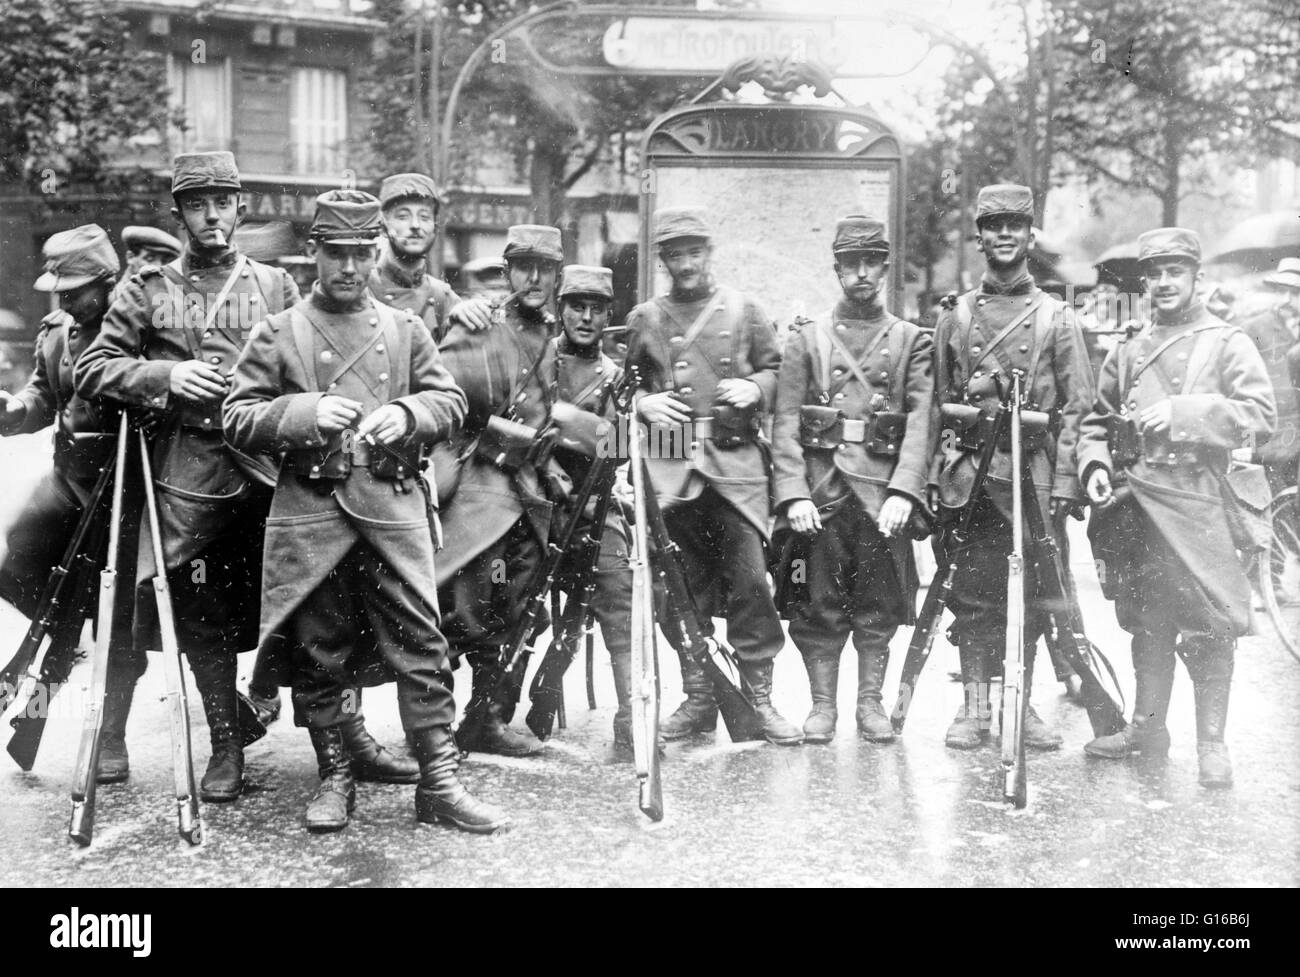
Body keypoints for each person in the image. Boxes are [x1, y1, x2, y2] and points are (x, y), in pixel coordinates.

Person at [76, 151, 398, 801]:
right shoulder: (149, 287)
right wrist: (165, 376)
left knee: (318, 594)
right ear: (180, 214)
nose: (212, 215)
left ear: (241, 208)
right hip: (189, 474)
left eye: (223, 202)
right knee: (202, 609)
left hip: (273, 464)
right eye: (198, 204)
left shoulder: (274, 285)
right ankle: (226, 742)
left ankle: (337, 744)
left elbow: (309, 364)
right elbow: (93, 367)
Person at [222, 190, 507, 833]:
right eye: (337, 254)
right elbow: (236, 417)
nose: (350, 268)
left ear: (375, 253)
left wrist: (408, 413)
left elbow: (451, 403)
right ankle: (335, 778)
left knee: (422, 646)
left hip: (392, 509)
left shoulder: (405, 330)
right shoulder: (278, 330)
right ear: (313, 255)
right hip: (313, 514)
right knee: (320, 651)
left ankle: (439, 781)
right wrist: (302, 413)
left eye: (361, 254)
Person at [1079, 227, 1275, 788]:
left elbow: (1261, 415)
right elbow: (1097, 419)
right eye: (1155, 274)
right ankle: (1148, 730)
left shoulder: (1227, 341)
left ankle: (1212, 745)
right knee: (1147, 621)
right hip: (1138, 503)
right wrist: (1094, 465)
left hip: (1199, 502)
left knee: (1210, 625)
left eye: (1175, 272)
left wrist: (1186, 413)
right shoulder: (1131, 346)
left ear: (1196, 278)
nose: (1164, 283)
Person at [623, 206, 802, 745]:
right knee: (682, 589)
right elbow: (623, 387)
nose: (686, 265)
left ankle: (761, 701)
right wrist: (644, 404)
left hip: (735, 463)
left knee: (751, 584)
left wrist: (757, 388)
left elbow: (780, 373)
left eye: (694, 252)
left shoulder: (745, 309)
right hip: (672, 461)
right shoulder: (645, 318)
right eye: (674, 255)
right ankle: (699, 697)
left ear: (710, 253)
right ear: (663, 260)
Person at [928, 184, 1094, 752]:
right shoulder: (956, 317)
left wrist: (1068, 484)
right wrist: (933, 479)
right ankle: (975, 708)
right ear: (979, 237)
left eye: (1014, 225)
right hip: (970, 477)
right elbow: (935, 403)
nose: (1003, 234)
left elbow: (1079, 408)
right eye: (993, 224)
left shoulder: (1059, 318)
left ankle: (1020, 705)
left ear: (1029, 236)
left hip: (1035, 477)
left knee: (1035, 595)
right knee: (972, 595)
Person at [770, 215, 934, 743]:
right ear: (837, 269)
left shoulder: (911, 341)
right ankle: (823, 706)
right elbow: (785, 423)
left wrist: (905, 491)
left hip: (882, 494)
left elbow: (923, 421)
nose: (861, 273)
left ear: (884, 268)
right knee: (816, 603)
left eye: (871, 263)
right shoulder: (807, 339)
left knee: (880, 603)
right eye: (851, 264)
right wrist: (793, 492)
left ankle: (869, 703)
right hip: (823, 490)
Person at [0, 225, 134, 782]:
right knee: (18, 556)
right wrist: (14, 411)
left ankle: (111, 738)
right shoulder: (58, 330)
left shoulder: (134, 329)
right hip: (68, 475)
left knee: (119, 622)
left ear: (109, 283)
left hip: (126, 486)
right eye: (59, 289)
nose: (65, 300)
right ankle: (65, 633)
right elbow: (41, 393)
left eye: (76, 289)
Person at [432, 224, 566, 757]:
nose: (534, 279)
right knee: (462, 608)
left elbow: (550, 413)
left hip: (529, 492)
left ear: (557, 275)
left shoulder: (552, 338)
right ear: (507, 271)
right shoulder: (477, 325)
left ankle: (483, 718)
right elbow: (440, 402)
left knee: (517, 606)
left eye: (546, 269)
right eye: (523, 267)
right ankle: (435, 731)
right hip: (479, 488)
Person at [537, 264, 645, 755]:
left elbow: (638, 447)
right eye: (576, 306)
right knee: (500, 592)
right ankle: (490, 707)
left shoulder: (620, 376)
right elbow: (512, 421)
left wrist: (571, 424)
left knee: (620, 592)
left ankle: (631, 714)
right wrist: (580, 428)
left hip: (596, 508)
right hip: (533, 505)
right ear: (560, 309)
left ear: (608, 315)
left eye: (596, 309)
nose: (585, 317)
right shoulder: (537, 361)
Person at [1237, 257, 1300, 495]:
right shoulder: (1254, 329)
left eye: (1295, 293)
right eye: (1281, 291)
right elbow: (1240, 389)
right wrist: (1244, 443)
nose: (1286, 300)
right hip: (1273, 443)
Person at [369, 173, 456, 342]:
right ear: (383, 226)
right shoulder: (364, 291)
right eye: (403, 217)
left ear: (435, 227)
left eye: (425, 217)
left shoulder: (444, 299)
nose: (416, 225)